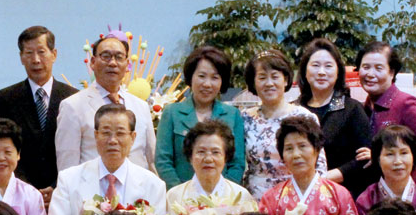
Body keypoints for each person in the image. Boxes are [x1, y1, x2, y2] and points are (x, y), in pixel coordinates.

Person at [0, 25, 78, 205]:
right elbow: (1, 145)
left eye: (41, 52)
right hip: (19, 195)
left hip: (64, 193)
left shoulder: (73, 97)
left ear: (54, 54)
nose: (36, 60)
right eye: (29, 53)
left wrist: (57, 186)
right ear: (21, 57)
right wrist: (27, 189)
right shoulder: (6, 98)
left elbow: (77, 149)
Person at [55, 33, 156, 170]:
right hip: (93, 182)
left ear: (127, 65)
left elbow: (152, 160)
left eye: (119, 57)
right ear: (92, 62)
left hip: (137, 183)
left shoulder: (141, 106)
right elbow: (67, 166)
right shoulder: (72, 106)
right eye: (106, 56)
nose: (113, 63)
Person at [155, 45, 245, 188]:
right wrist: (181, 193)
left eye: (214, 78)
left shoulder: (233, 115)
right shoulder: (172, 112)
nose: (207, 84)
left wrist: (224, 193)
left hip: (223, 197)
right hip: (180, 196)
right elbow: (163, 161)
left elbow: (237, 163)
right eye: (201, 76)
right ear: (191, 77)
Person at [242, 49, 326, 200]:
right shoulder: (244, 118)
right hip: (256, 199)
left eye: (275, 77)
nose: (269, 83)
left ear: (286, 80)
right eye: (262, 77)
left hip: (296, 197)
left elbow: (319, 165)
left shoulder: (304, 117)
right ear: (253, 83)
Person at [298, 38, 373, 197]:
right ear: (305, 70)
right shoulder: (294, 110)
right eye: (315, 65)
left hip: (342, 196)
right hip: (298, 193)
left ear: (338, 72)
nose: (321, 72)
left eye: (328, 66)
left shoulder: (352, 109)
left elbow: (365, 159)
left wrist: (322, 179)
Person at [356, 40, 416, 176]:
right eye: (365, 67)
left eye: (379, 68)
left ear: (392, 72)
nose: (370, 74)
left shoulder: (406, 104)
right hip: (372, 187)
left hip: (401, 187)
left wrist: (381, 154)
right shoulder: (360, 108)